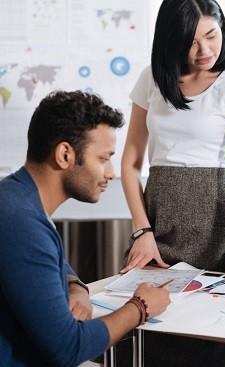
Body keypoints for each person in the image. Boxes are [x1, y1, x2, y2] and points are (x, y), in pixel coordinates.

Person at [121, 0, 225, 274]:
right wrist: (142, 230)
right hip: (157, 220)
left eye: (211, 35)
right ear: (171, 39)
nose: (204, 50)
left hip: (215, 224)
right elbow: (130, 164)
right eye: (190, 42)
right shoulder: (151, 79)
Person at [0, 90, 170, 367]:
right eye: (103, 159)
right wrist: (140, 307)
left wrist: (76, 286)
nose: (111, 173)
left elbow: (45, 263)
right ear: (65, 154)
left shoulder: (14, 197)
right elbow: (67, 348)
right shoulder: (22, 222)